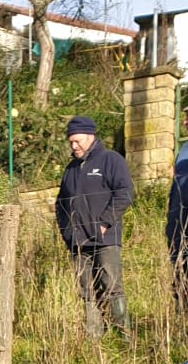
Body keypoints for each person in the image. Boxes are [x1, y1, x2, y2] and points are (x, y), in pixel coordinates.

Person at [55, 116, 134, 338]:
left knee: (111, 285)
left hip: (105, 239)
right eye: (70, 142)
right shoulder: (70, 169)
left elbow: (125, 193)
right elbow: (60, 203)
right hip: (77, 242)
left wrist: (105, 223)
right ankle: (94, 337)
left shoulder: (111, 160)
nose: (73, 146)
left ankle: (124, 335)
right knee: (86, 290)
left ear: (90, 136)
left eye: (77, 141)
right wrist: (66, 232)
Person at [166, 95, 188, 307]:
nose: (185, 122)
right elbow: (175, 186)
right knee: (180, 272)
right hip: (180, 225)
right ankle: (184, 319)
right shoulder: (184, 150)